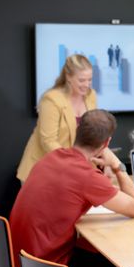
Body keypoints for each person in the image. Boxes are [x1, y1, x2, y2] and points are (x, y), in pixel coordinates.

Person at [10, 109, 134, 267]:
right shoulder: (86, 176)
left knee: (93, 247)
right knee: (115, 260)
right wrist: (117, 165)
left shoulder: (50, 158)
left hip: (22, 263)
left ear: (77, 131)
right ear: (106, 143)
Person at [16, 54, 97, 182]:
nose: (87, 85)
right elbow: (48, 141)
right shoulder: (52, 99)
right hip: (42, 171)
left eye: (90, 80)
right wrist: (74, 163)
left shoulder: (90, 95)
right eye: (82, 80)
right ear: (68, 77)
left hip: (69, 170)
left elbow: (93, 131)